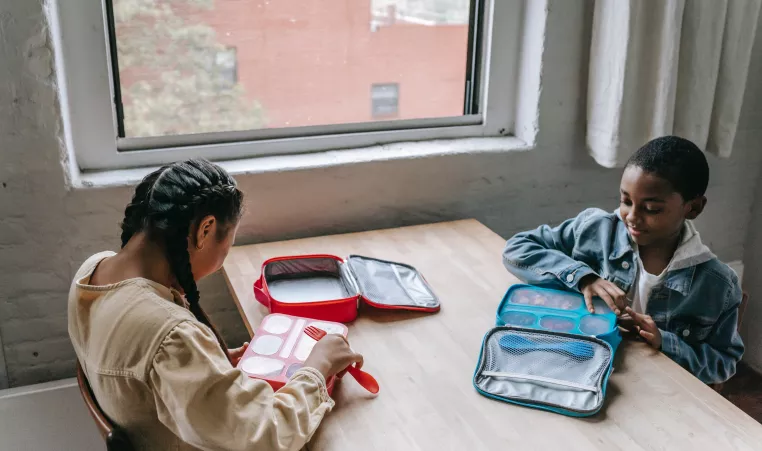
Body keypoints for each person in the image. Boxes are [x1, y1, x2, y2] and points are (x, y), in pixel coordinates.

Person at [68, 159, 363, 450]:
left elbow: (139, 373)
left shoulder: (92, 272)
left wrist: (206, 368)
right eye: (227, 247)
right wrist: (317, 367)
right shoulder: (171, 336)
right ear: (205, 230)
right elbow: (266, 437)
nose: (222, 261)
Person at [502, 136, 744, 385]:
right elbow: (517, 249)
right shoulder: (595, 230)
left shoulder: (717, 285)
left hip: (654, 391)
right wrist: (583, 277)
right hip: (579, 365)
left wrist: (664, 341)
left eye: (651, 209)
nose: (632, 218)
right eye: (626, 201)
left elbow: (723, 363)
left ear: (692, 208)